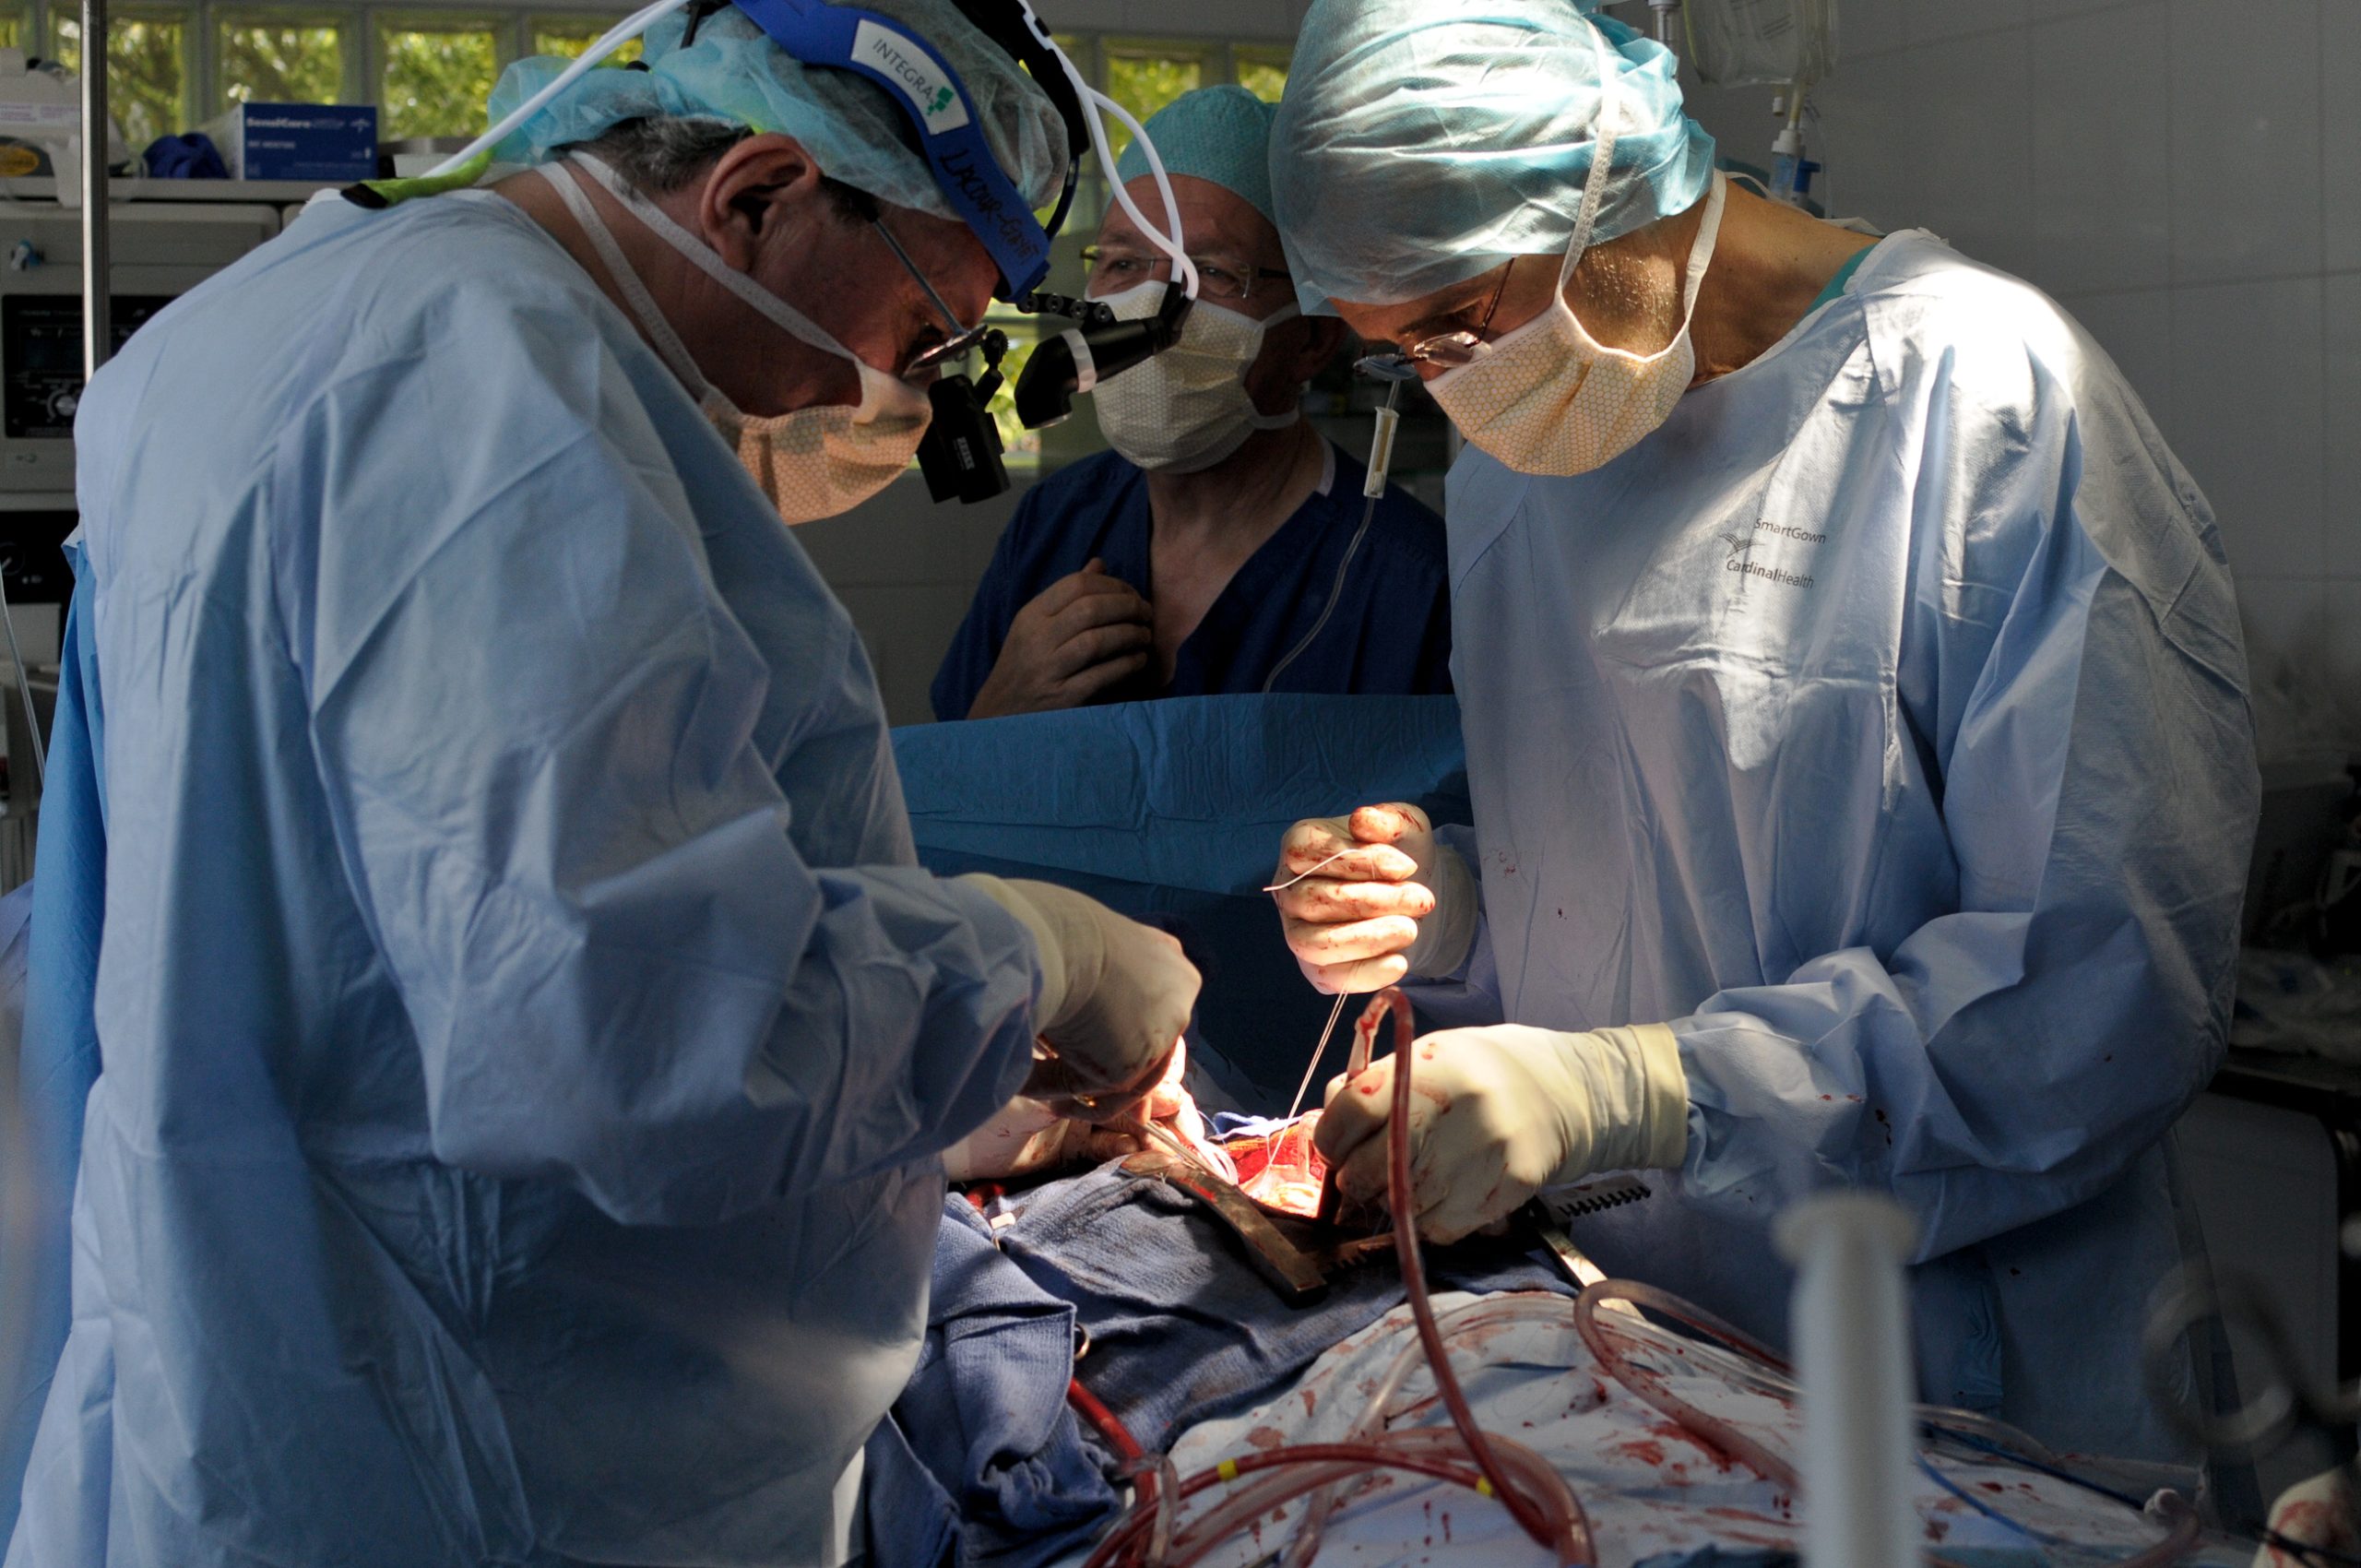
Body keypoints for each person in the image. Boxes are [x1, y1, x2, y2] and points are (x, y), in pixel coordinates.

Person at [3, 5, 1204, 1563]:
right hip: (483, 1450)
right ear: (757, 192)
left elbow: (418, 917)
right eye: (921, 327)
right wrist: (1028, 953)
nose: (886, 388)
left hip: (257, 1359)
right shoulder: (503, 398)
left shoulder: (273, 315)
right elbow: (646, 1041)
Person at [1265, 0, 2256, 1462]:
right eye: (1401, 358)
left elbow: (2096, 987)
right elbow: (1664, 875)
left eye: (1459, 326)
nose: (1452, 391)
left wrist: (1637, 1090)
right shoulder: (1525, 457)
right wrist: (1457, 910)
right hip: (1646, 1351)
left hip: (1970, 1376)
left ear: (1607, 198)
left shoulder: (1980, 399)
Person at [931, 86, 1453, 722]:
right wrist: (1003, 704)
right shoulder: (1056, 524)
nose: (1149, 307)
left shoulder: (1412, 585)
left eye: (1208, 273)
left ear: (1312, 338)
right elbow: (950, 786)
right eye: (1122, 264)